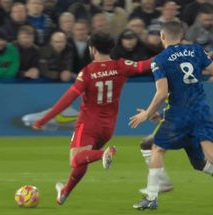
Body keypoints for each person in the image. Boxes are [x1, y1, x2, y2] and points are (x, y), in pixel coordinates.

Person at [33, 31, 153, 205]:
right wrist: (172, 53)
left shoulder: (88, 72)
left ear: (93, 48)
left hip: (88, 123)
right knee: (83, 159)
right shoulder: (121, 65)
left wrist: (42, 120)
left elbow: (67, 100)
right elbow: (146, 65)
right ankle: (64, 193)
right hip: (108, 127)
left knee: (75, 159)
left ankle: (103, 154)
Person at [129, 21, 213, 210]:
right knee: (204, 158)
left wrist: (147, 114)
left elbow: (162, 93)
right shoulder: (196, 50)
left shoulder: (160, 60)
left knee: (155, 148)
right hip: (201, 109)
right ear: (182, 35)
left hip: (180, 114)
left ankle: (152, 197)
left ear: (162, 37)